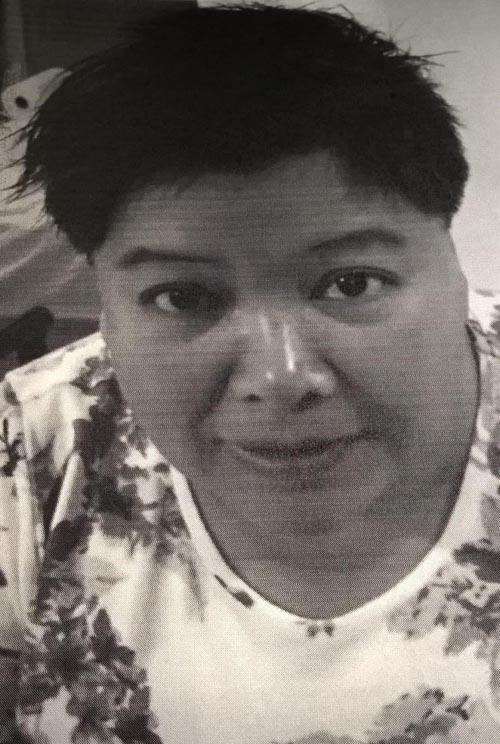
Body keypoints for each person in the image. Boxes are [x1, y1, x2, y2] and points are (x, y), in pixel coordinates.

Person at [1, 4, 500, 742]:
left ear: (454, 267)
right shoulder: (35, 447)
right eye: (182, 296)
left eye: (351, 282)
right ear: (104, 302)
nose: (281, 377)